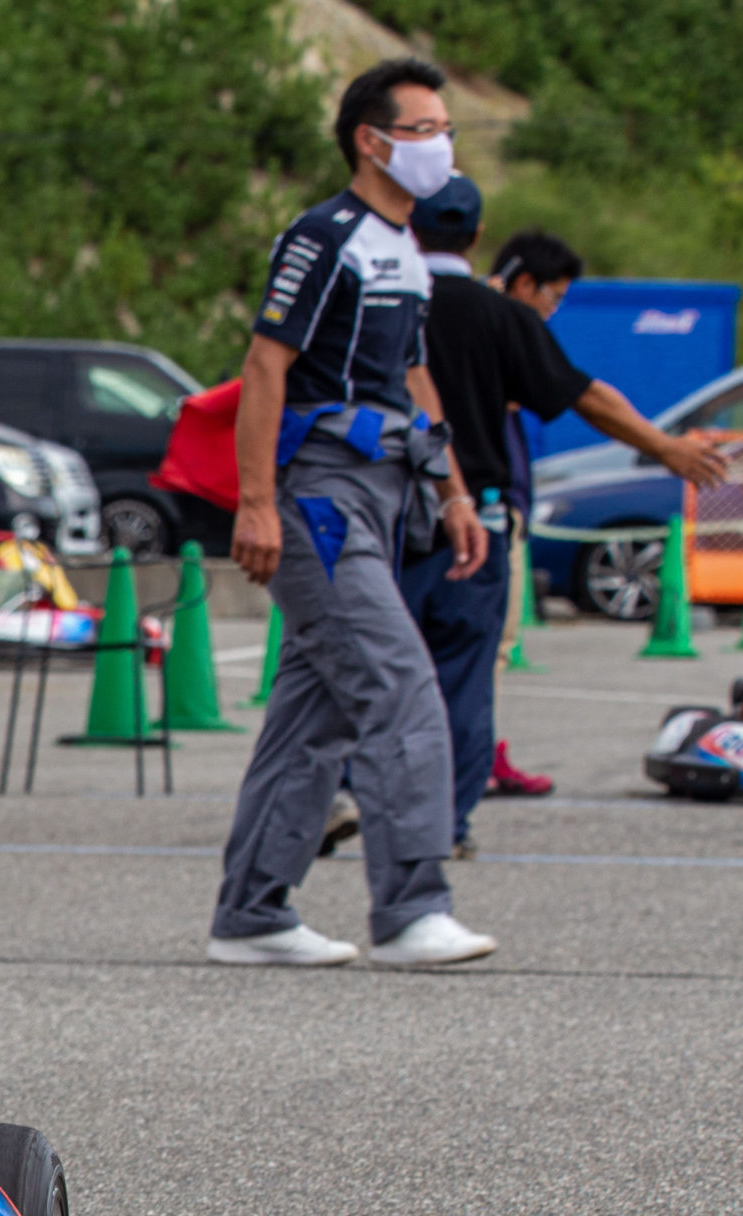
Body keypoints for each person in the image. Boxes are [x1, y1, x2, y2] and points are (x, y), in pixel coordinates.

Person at [208, 58, 495, 970]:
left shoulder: (403, 247)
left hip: (383, 489)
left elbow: (412, 377)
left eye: (447, 129)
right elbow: (266, 365)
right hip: (321, 495)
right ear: (371, 142)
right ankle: (412, 909)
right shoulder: (322, 238)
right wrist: (258, 502)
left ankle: (252, 914)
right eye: (425, 130)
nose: (442, 145)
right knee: (399, 686)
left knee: (316, 716)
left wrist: (452, 490)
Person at [401, 184, 728, 857]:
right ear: (478, 235)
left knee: (371, 666)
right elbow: (585, 395)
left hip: (381, 518)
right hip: (474, 525)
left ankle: (347, 792)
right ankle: (445, 824)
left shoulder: (382, 305)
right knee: (465, 675)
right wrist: (664, 447)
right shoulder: (502, 317)